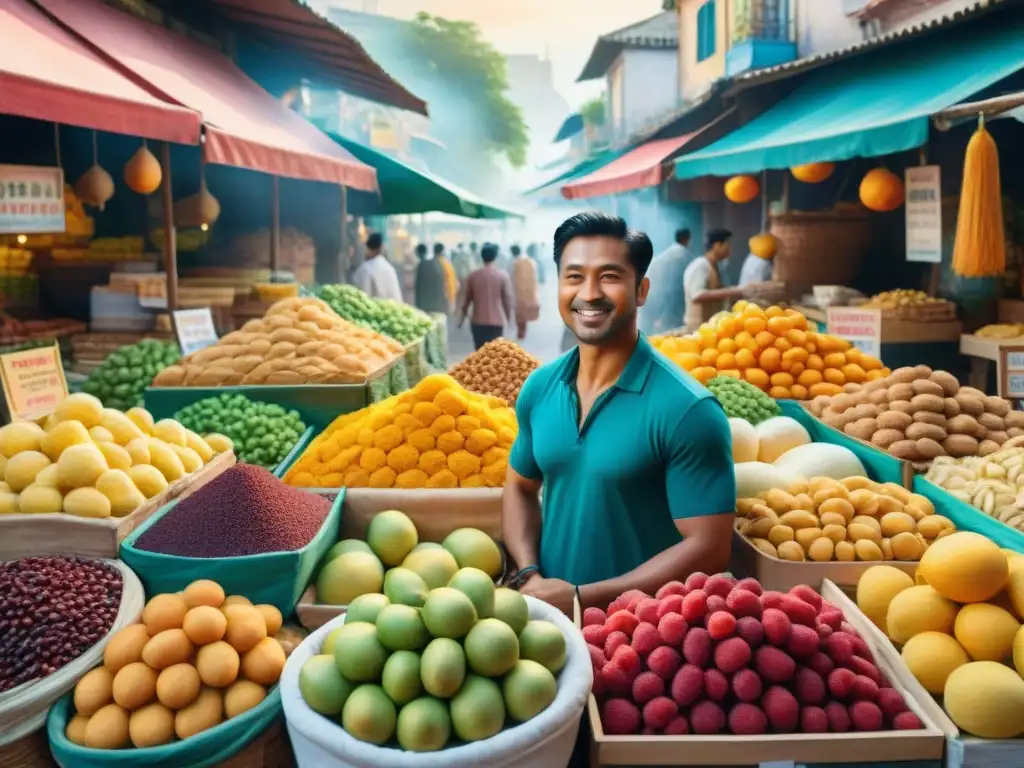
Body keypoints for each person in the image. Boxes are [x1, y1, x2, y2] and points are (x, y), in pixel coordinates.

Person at [503, 211, 735, 619]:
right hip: (548, 623)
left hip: (644, 637)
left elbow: (709, 548)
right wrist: (529, 575)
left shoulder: (688, 410)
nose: (589, 293)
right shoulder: (539, 389)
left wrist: (580, 596)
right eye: (574, 277)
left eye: (609, 277)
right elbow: (520, 488)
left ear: (641, 289)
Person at [683, 228, 743, 331]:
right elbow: (697, 295)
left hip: (710, 328)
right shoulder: (701, 265)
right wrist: (731, 291)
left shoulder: (717, 266)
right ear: (717, 246)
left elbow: (716, 289)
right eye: (727, 245)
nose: (730, 249)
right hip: (696, 329)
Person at [639, 227, 695, 335]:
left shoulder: (662, 256)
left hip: (650, 298)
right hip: (670, 302)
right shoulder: (686, 257)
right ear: (687, 239)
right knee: (671, 335)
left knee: (649, 335)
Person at [458, 243, 513, 350]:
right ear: (495, 257)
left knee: (480, 355)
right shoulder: (502, 276)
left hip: (478, 322)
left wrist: (461, 319)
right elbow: (507, 299)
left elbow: (466, 301)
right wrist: (508, 318)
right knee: (495, 355)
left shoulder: (473, 276)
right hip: (496, 322)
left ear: (481, 256)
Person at [352, 232, 403, 302]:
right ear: (381, 247)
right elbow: (396, 297)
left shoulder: (364, 269)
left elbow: (357, 292)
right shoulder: (389, 269)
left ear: (368, 248)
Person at [510, 245, 540, 340]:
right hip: (526, 292)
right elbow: (535, 278)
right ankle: (522, 331)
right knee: (523, 312)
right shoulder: (531, 262)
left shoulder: (515, 262)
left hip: (517, 292)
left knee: (519, 313)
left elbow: (510, 277)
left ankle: (521, 331)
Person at [413, 243, 448, 314]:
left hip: (425, 306)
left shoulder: (421, 266)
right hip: (438, 305)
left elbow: (418, 287)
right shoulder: (439, 264)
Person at [434, 243, 459, 311]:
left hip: (434, 297)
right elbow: (451, 281)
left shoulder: (431, 263)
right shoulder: (446, 263)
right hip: (446, 296)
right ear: (442, 251)